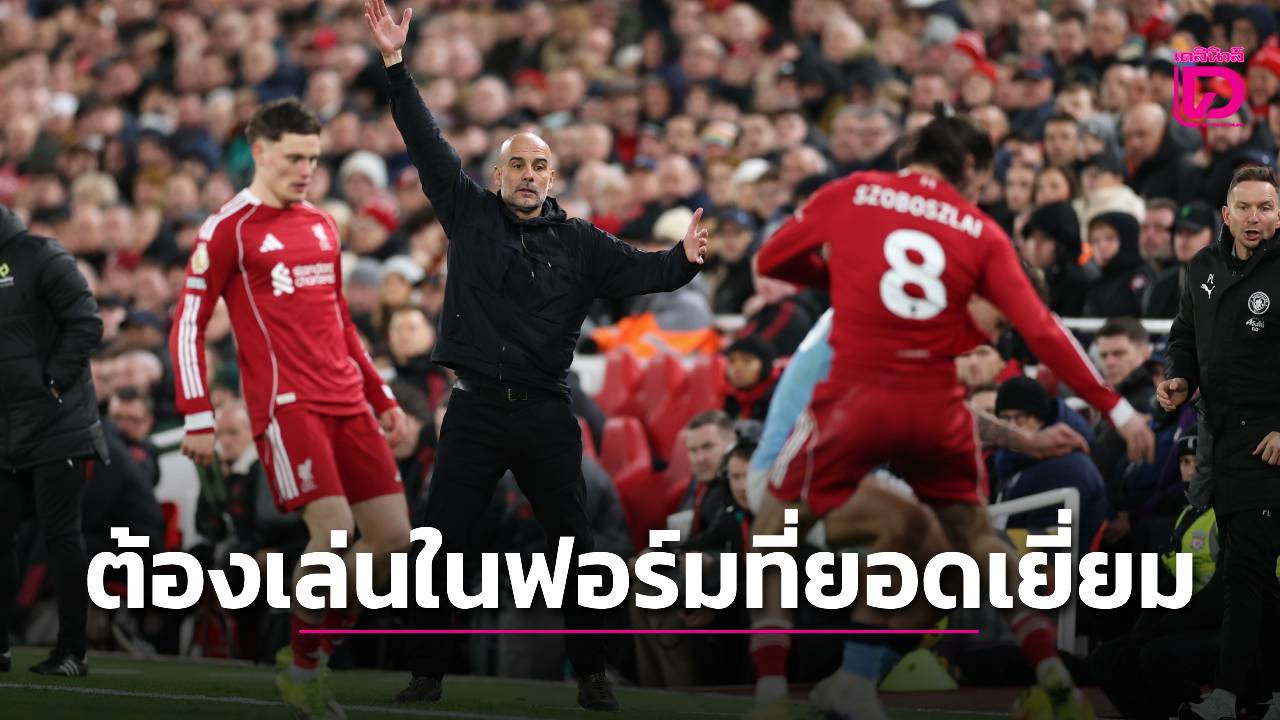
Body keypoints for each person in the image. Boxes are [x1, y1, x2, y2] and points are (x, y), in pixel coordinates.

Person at [363, 1, 710, 711]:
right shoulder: (466, 212)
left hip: (547, 410)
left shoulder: (583, 241)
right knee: (438, 545)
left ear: (553, 179)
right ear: (498, 176)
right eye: (517, 164)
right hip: (474, 408)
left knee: (576, 548)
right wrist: (395, 65)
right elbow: (426, 141)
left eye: (540, 166)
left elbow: (651, 271)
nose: (528, 174)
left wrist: (685, 258)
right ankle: (426, 673)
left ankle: (593, 674)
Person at [753, 111, 1154, 720]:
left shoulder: (858, 197)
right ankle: (1048, 673)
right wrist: (1116, 409)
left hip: (859, 410)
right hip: (882, 417)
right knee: (960, 537)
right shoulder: (976, 233)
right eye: (995, 323)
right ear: (968, 167)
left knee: (912, 546)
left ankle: (815, 686)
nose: (990, 338)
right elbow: (1042, 328)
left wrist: (841, 275)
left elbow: (773, 260)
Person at [169, 97, 411, 720]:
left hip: (347, 399)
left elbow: (340, 320)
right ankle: (303, 670)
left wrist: (380, 393)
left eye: (314, 158)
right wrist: (197, 413)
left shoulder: (323, 224)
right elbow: (189, 324)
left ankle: (313, 653)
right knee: (332, 533)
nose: (306, 170)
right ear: (260, 151)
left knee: (393, 540)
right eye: (294, 157)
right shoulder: (229, 227)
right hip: (287, 404)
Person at [1160, 165, 1280, 720]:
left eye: (1266, 207)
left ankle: (1228, 695)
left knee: (1244, 574)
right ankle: (1262, 693)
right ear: (1227, 215)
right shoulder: (1202, 267)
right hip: (1220, 439)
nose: (1256, 218)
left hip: (1269, 444)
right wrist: (1179, 378)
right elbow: (1184, 336)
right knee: (1250, 575)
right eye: (1245, 208)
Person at [0, 203, 107, 677]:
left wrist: (54, 383)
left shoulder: (41, 254)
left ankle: (72, 651)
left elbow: (87, 321)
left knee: (61, 536)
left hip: (55, 424)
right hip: (6, 428)